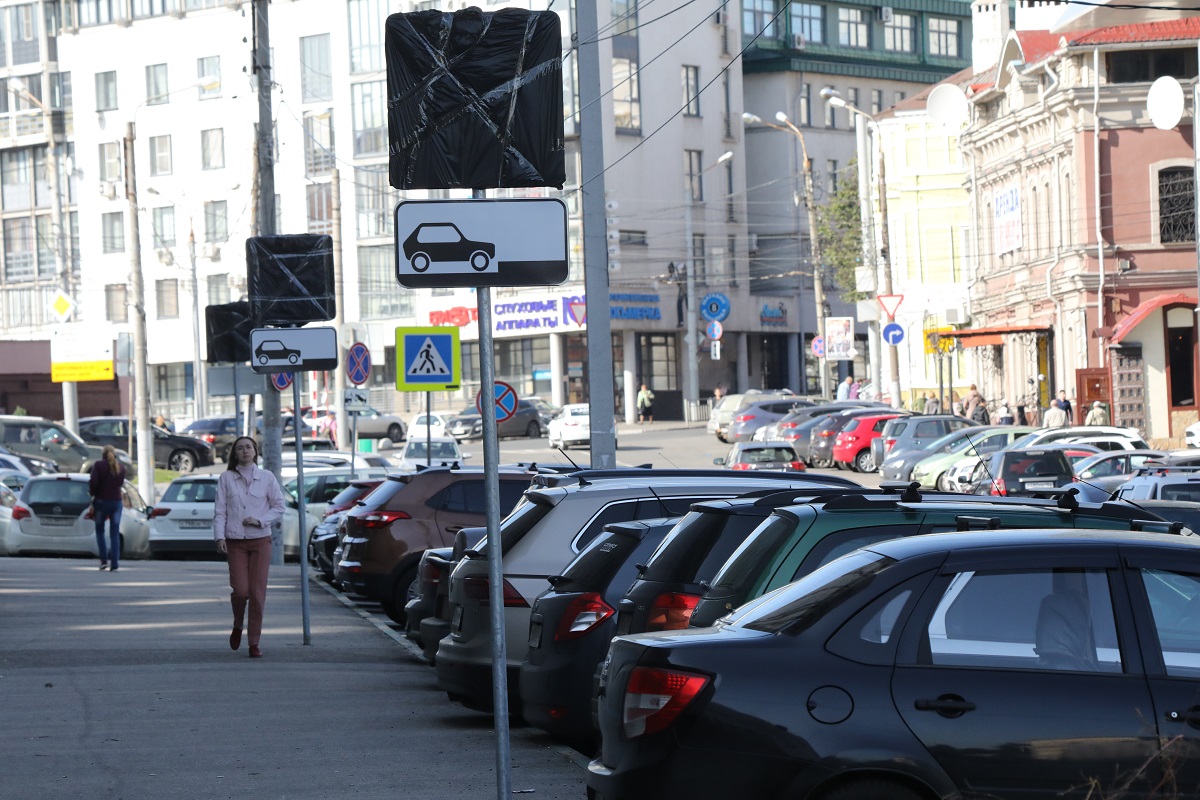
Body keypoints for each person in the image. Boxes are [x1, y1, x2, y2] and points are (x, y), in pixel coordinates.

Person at [214, 436, 286, 659]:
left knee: (257, 594)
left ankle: (254, 642)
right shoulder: (226, 478)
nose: (245, 451)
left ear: (255, 452)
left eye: (248, 447)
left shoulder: (266, 477)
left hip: (260, 541)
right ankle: (238, 624)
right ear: (234, 454)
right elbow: (220, 511)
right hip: (235, 542)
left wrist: (261, 520)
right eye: (240, 448)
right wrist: (219, 537)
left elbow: (279, 506)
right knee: (241, 591)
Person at [88, 445, 126, 571]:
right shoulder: (120, 467)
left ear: (102, 454)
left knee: (100, 531)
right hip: (116, 503)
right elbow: (120, 484)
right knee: (115, 532)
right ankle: (114, 563)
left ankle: (104, 561)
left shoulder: (98, 465)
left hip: (101, 502)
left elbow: (93, 483)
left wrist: (92, 494)